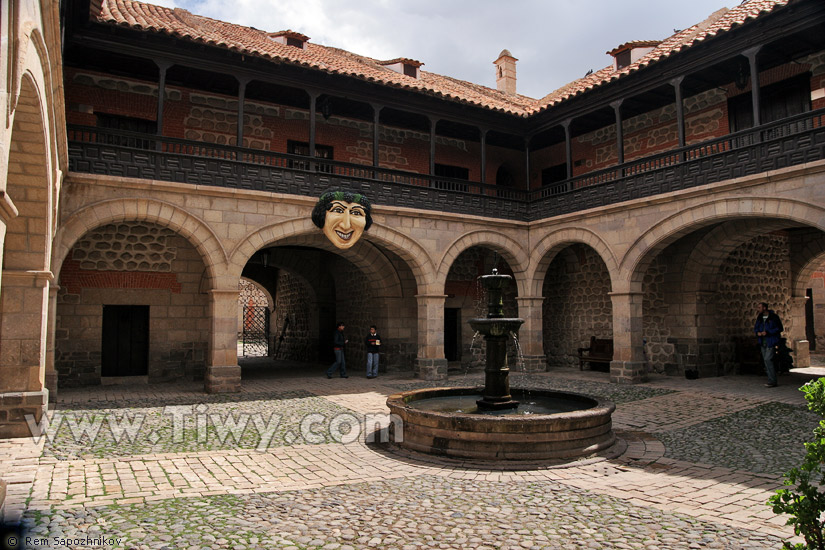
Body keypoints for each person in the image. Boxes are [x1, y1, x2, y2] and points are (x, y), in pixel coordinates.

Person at [754, 302, 784, 387]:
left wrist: (768, 332)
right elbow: (756, 327)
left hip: (771, 341)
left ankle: (772, 380)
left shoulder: (773, 317)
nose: (758, 309)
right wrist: (758, 333)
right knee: (766, 361)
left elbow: (779, 328)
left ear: (764, 308)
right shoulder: (759, 318)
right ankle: (771, 379)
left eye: (759, 307)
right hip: (762, 342)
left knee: (768, 359)